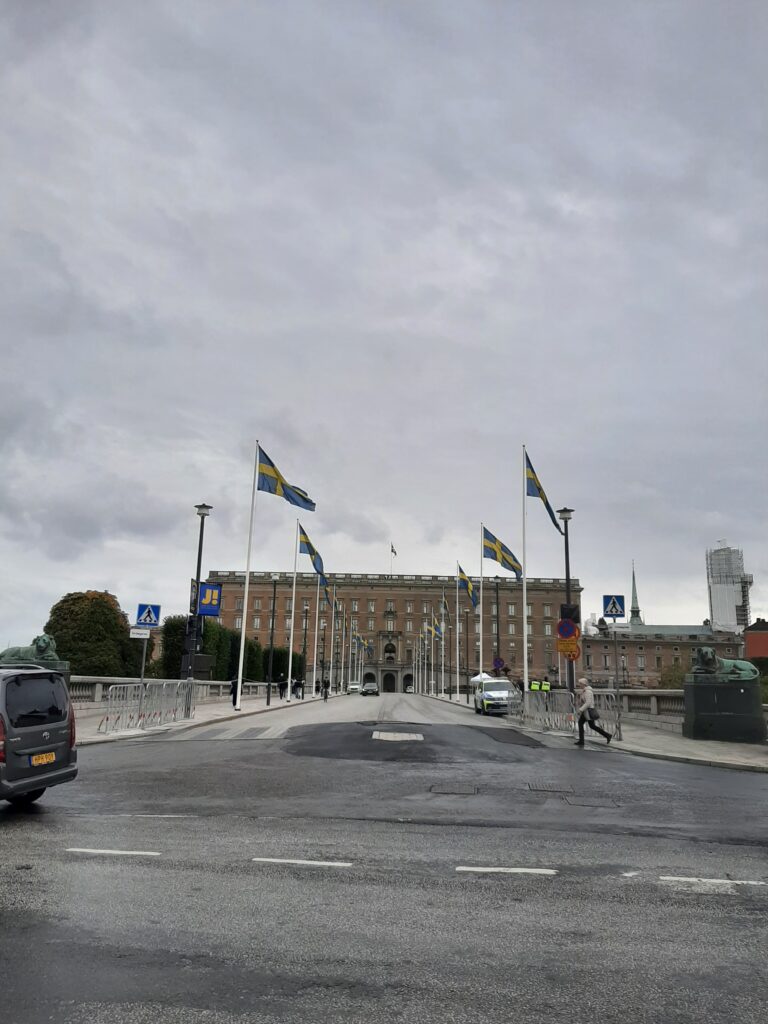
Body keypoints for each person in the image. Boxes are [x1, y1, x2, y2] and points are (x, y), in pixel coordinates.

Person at [575, 677, 612, 746]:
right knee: (591, 725)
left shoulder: (588, 691)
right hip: (586, 710)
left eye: (580, 683)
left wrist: (580, 710)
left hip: (588, 711)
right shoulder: (584, 691)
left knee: (585, 724)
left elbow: (588, 703)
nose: (579, 685)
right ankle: (607, 735)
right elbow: (583, 701)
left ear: (583, 684)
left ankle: (581, 741)